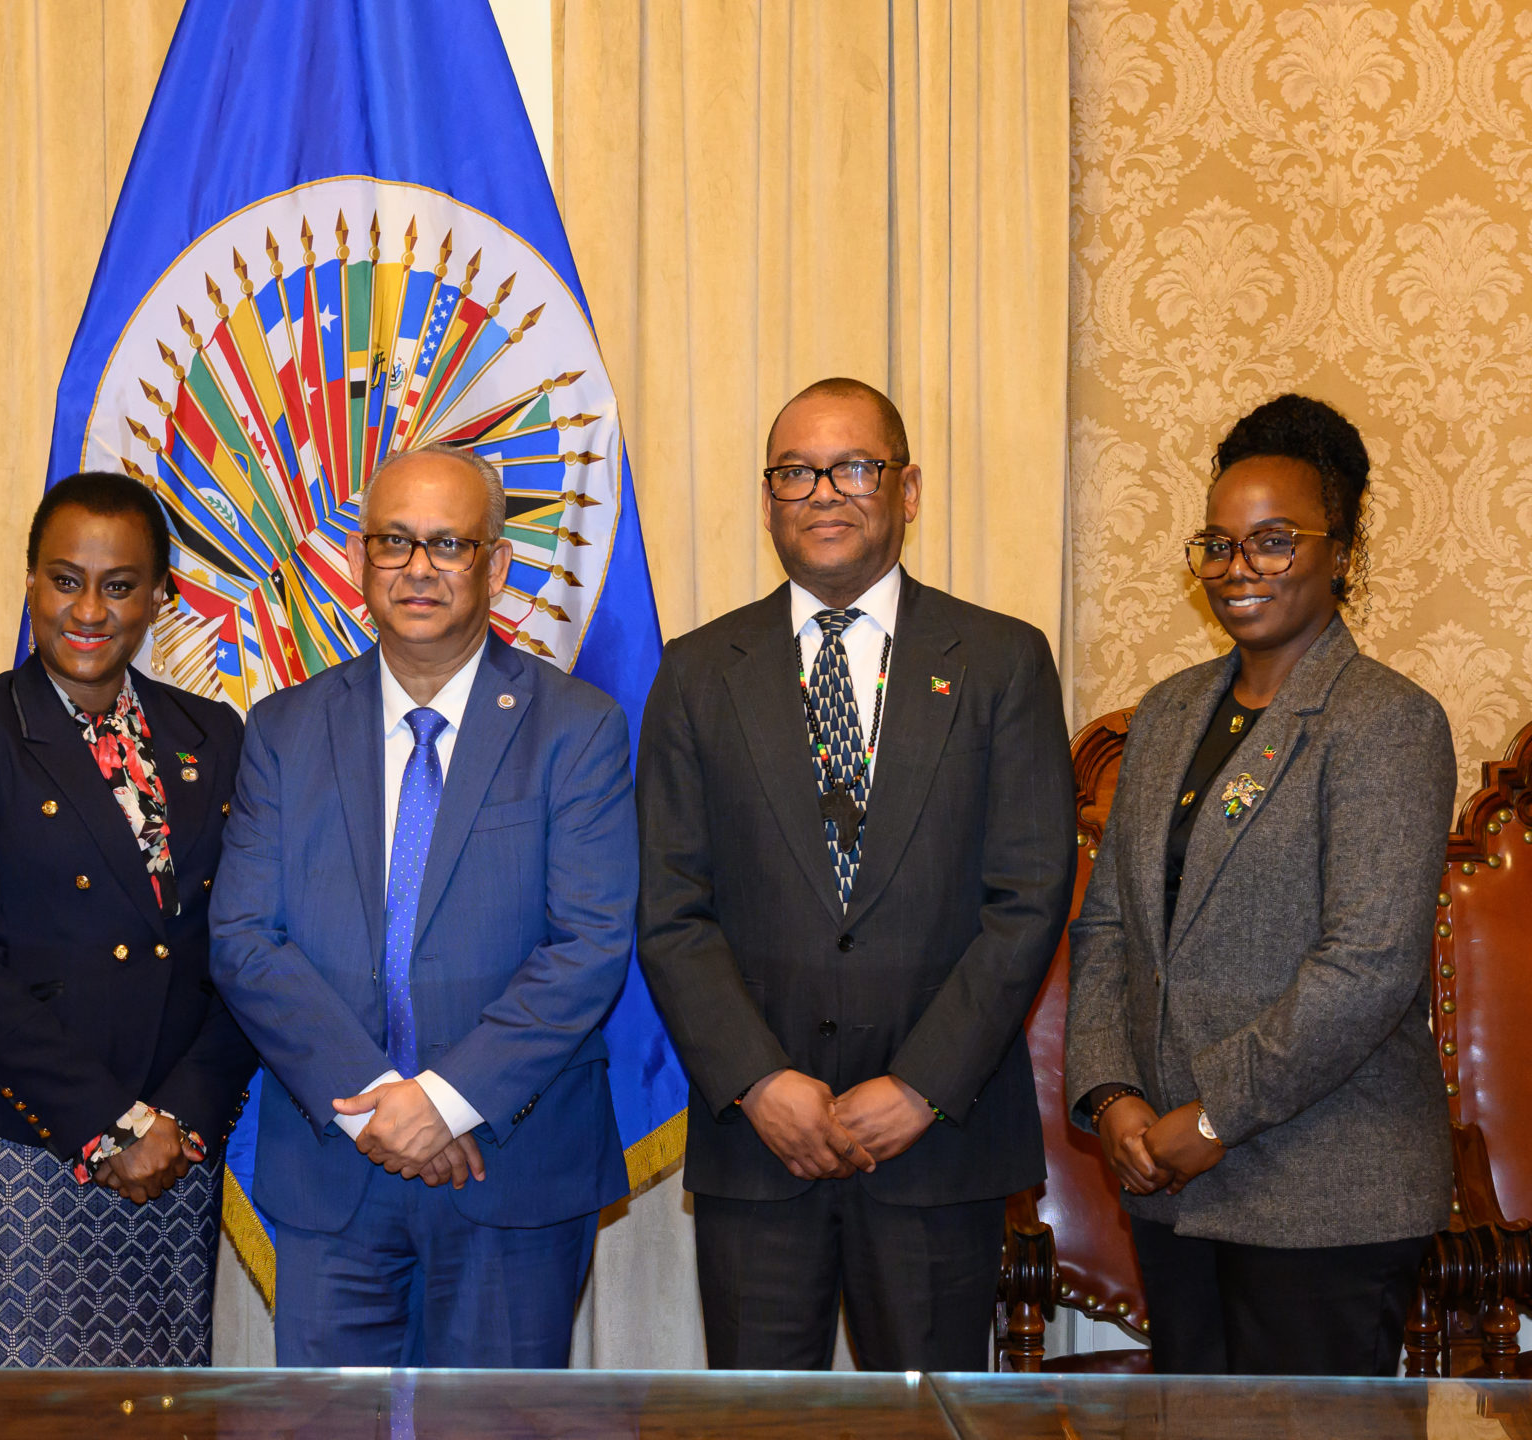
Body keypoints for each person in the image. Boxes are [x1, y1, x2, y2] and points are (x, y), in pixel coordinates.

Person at [636, 377, 1076, 1371]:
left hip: (939, 1145)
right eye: (795, 472)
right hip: (760, 1149)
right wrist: (757, 1082)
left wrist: (921, 1086)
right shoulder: (697, 673)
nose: (823, 492)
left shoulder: (1001, 662)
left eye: (854, 468)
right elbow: (669, 909)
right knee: (757, 1426)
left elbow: (1027, 900)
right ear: (768, 500)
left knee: (928, 1422)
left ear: (907, 489)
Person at [210, 443, 636, 1368]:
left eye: (448, 544)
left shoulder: (578, 728)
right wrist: (380, 1109)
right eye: (393, 541)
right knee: (325, 1429)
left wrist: (445, 1102)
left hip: (512, 1168)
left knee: (499, 1431)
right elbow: (245, 940)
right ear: (357, 560)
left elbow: (590, 943)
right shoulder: (283, 729)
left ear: (496, 564)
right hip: (335, 1168)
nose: (417, 568)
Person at [1065, 395, 1451, 1376]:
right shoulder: (1166, 714)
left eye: (1273, 542)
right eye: (1218, 544)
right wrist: (1112, 1096)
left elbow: (1366, 967)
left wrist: (1212, 1115)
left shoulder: (1385, 722)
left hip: (1325, 1197)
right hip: (1172, 1186)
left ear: (1342, 553)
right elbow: (1108, 927)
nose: (1239, 568)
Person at [0, 473, 260, 1367]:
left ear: (160, 595)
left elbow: (243, 946)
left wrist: (182, 1115)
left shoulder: (213, 735)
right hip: (20, 1139)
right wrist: (110, 1126)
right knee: (31, 1412)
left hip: (173, 1145)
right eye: (66, 580)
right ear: (30, 581)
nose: (90, 610)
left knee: (165, 1407)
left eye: (120, 585)